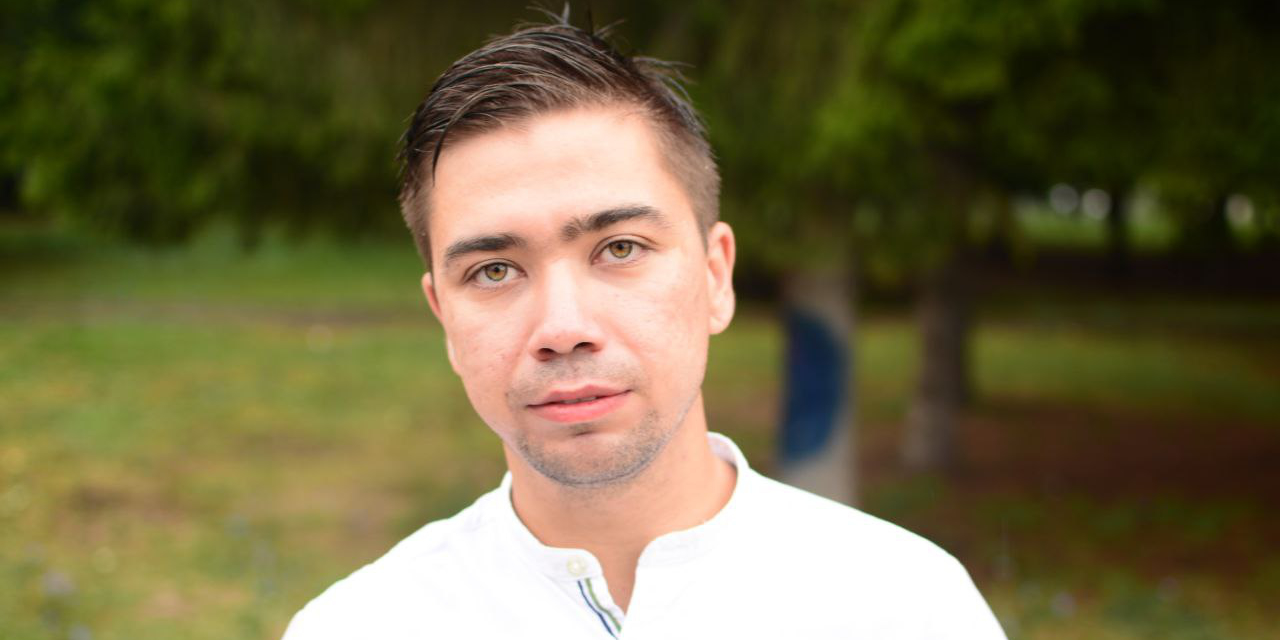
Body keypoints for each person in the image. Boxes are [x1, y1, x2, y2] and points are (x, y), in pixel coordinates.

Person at [284, 11, 1006, 640]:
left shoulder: (906, 608)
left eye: (620, 249)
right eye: (495, 270)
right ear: (444, 316)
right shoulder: (358, 627)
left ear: (715, 276)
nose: (563, 327)